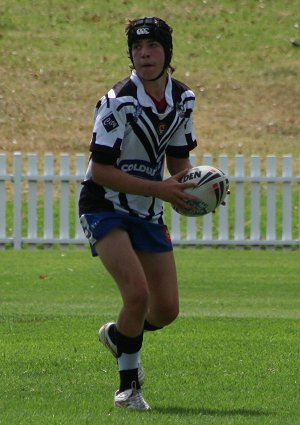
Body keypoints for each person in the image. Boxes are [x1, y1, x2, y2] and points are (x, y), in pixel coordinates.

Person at [79, 16, 198, 410]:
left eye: (153, 47)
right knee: (137, 294)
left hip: (146, 209)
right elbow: (101, 170)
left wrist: (193, 192)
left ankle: (120, 335)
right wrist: (162, 189)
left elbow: (179, 162)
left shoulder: (183, 99)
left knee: (165, 310)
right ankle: (128, 388)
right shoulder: (118, 102)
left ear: (167, 53)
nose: (144, 55)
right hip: (104, 205)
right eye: (137, 48)